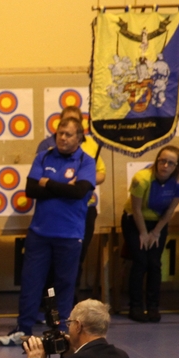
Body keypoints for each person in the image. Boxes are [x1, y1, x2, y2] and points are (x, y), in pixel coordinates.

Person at [0, 118, 97, 346]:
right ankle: (22, 329)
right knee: (31, 282)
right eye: (60, 133)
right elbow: (31, 189)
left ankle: (62, 331)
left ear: (79, 137)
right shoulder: (43, 157)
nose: (63, 138)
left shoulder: (85, 161)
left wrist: (47, 183)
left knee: (64, 285)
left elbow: (79, 192)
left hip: (70, 235)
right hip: (39, 234)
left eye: (69, 134)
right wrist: (63, 186)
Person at [36, 107, 108, 277]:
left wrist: (83, 179)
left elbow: (101, 174)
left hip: (83, 208)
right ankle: (50, 300)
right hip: (55, 208)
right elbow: (40, 179)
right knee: (53, 260)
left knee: (77, 256)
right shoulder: (47, 146)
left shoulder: (91, 145)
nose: (66, 134)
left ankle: (71, 299)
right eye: (66, 122)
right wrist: (63, 186)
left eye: (75, 122)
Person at [123, 146, 179, 322]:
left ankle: (153, 306)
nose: (165, 165)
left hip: (158, 222)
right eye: (162, 161)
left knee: (154, 263)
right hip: (135, 221)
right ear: (157, 160)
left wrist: (156, 232)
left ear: (176, 166)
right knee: (140, 261)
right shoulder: (142, 179)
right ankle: (135, 306)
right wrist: (144, 233)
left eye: (170, 163)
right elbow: (135, 209)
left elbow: (171, 210)